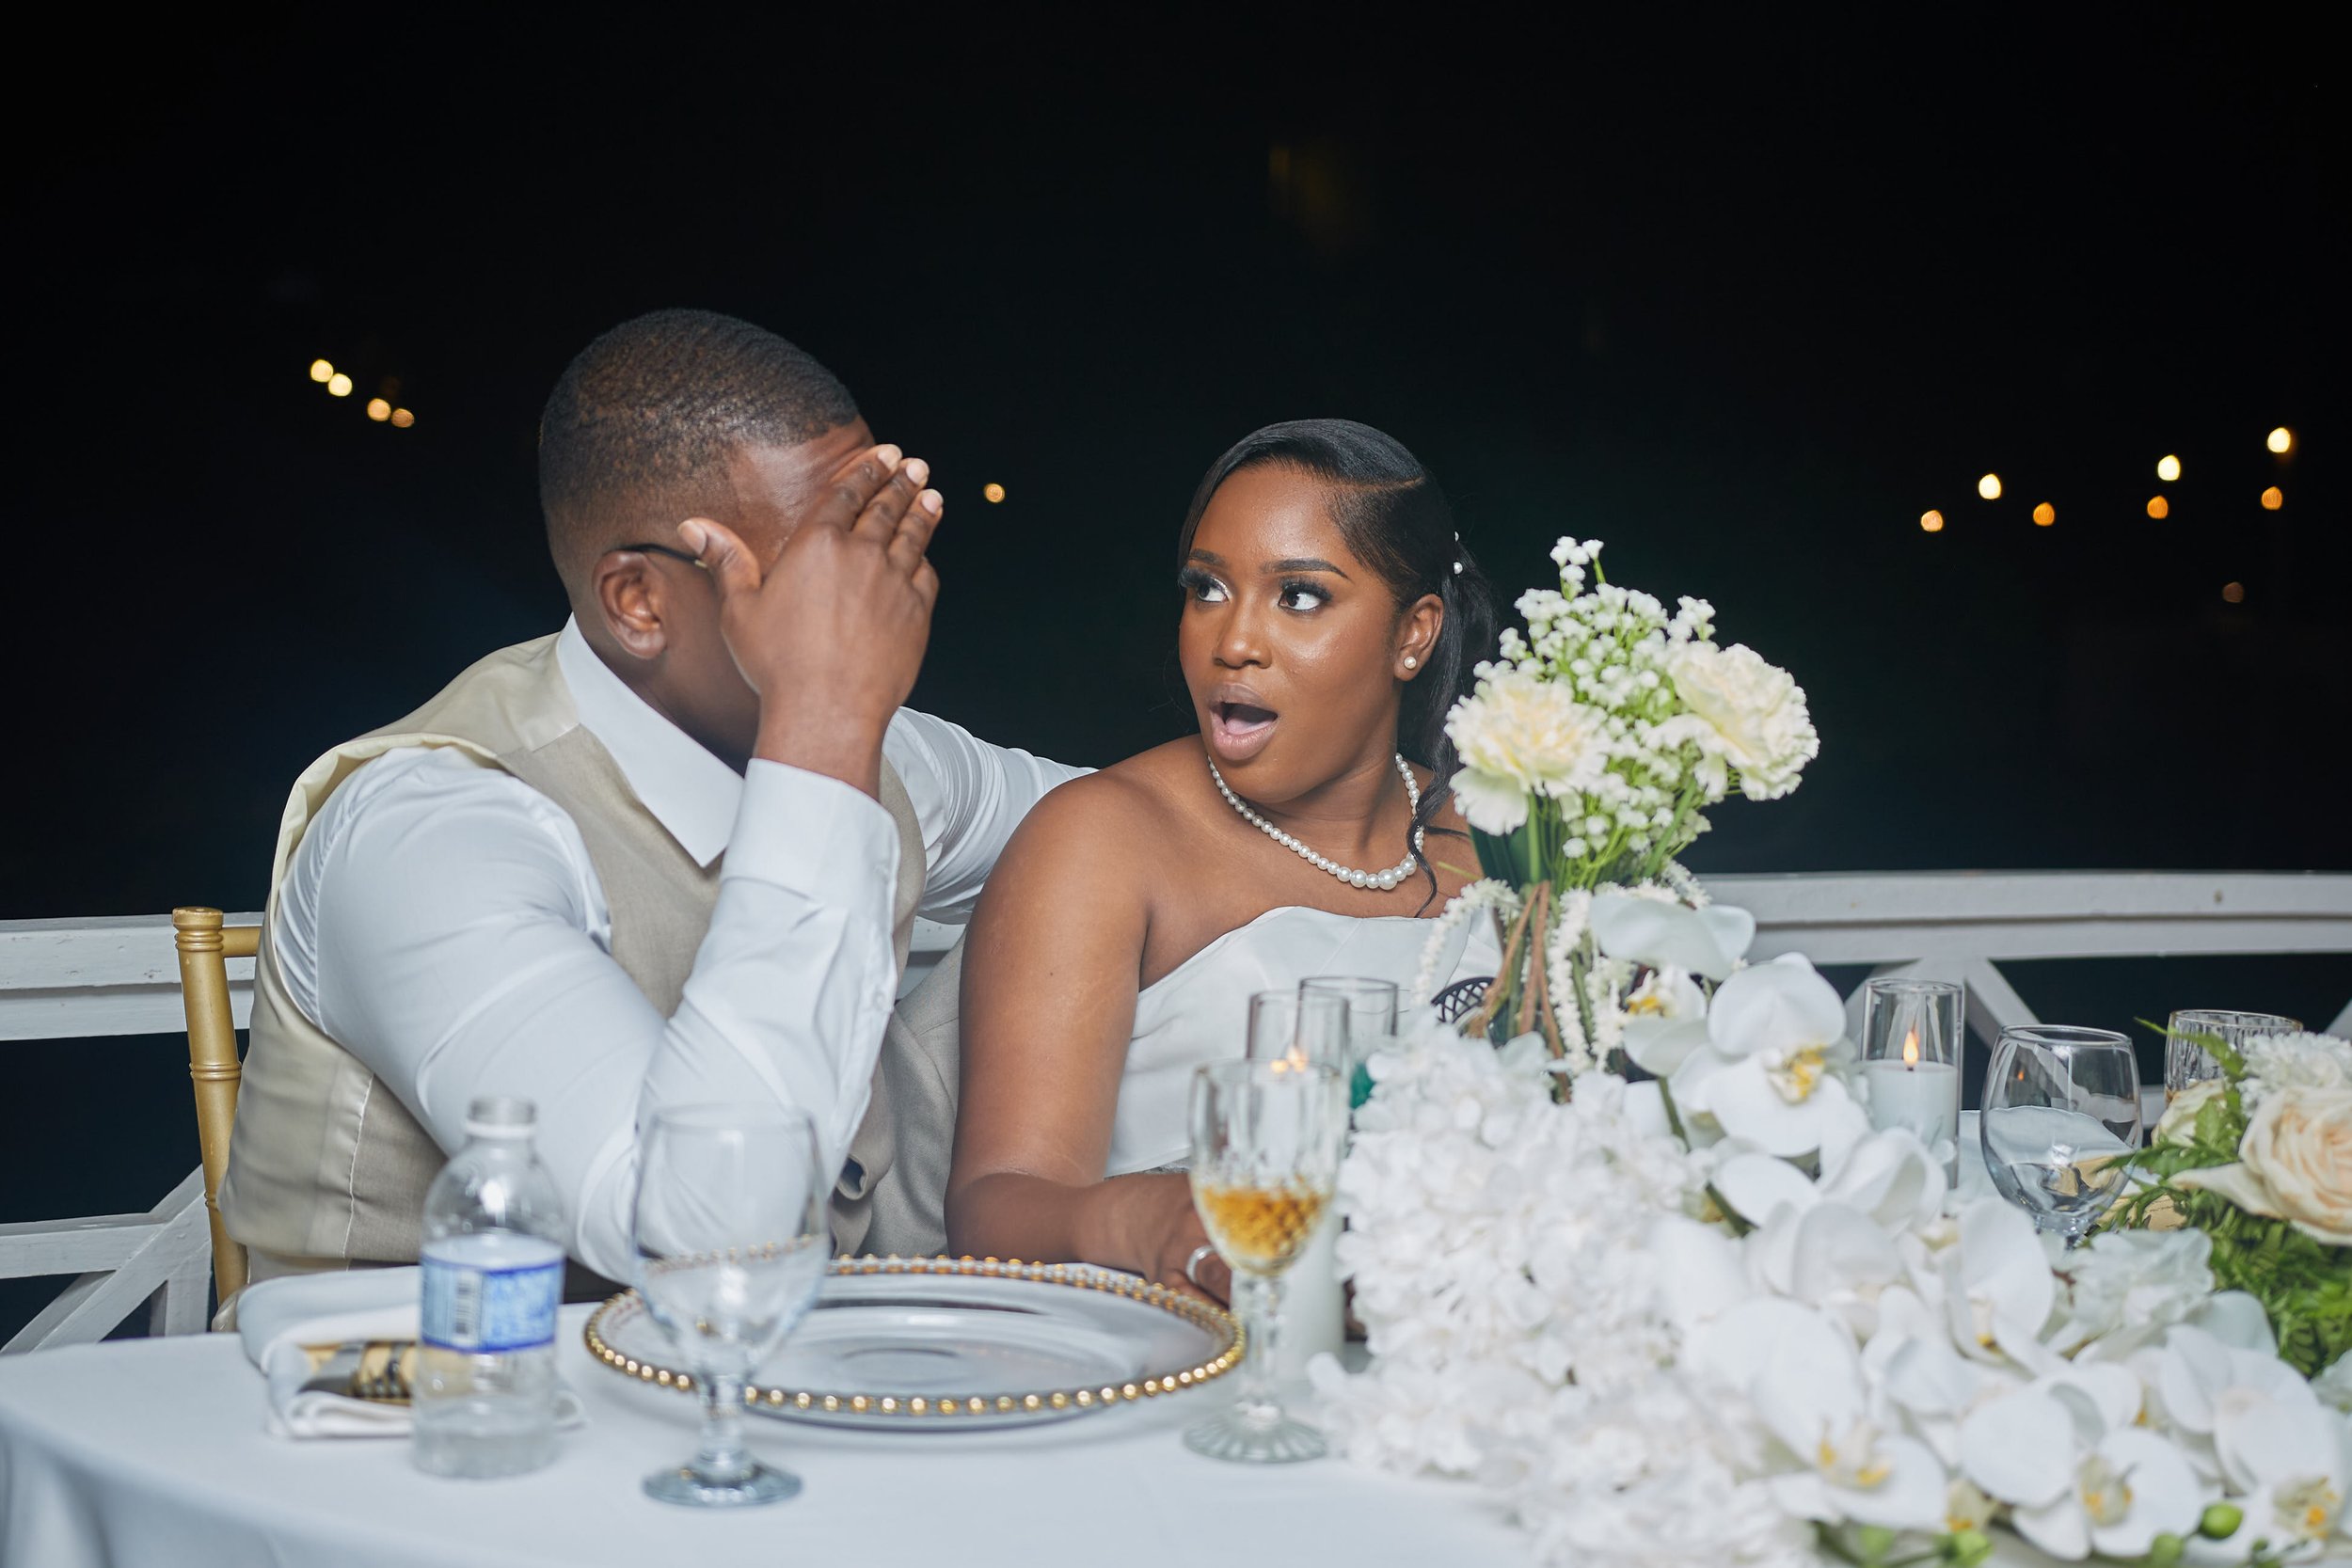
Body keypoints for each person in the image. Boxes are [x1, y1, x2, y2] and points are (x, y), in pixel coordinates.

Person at [217, 309, 1081, 1292]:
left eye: (883, 541)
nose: (886, 597)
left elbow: (1125, 832)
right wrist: (826, 716)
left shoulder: (881, 760)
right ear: (638, 600)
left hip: (779, 1382)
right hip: (421, 1411)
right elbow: (702, 1238)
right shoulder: (429, 828)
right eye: (826, 567)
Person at [946, 420, 1502, 1304]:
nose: (1231, 640)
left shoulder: (1502, 835)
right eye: (1207, 588)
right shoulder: (1102, 839)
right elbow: (995, 1209)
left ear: (1414, 634)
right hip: (1185, 1352)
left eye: (1301, 597)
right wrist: (1159, 1220)